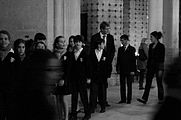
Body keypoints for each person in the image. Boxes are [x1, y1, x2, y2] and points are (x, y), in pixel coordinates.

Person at [90, 21, 115, 107]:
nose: (108, 30)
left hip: (107, 65)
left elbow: (112, 50)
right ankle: (95, 101)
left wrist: (108, 60)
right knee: (96, 85)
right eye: (107, 29)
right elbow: (92, 51)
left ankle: (103, 101)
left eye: (108, 28)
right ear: (101, 29)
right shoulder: (94, 37)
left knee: (104, 84)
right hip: (96, 66)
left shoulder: (111, 37)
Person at [137, 31, 165, 104]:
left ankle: (161, 99)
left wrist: (154, 59)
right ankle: (144, 99)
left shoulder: (161, 46)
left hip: (159, 67)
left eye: (151, 37)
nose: (150, 38)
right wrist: (148, 66)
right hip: (151, 67)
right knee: (148, 83)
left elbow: (162, 58)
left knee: (159, 83)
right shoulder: (150, 46)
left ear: (155, 37)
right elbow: (149, 57)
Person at [69, 35, 91, 120]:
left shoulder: (85, 53)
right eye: (76, 42)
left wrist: (89, 77)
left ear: (82, 43)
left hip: (82, 79)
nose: (77, 43)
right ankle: (74, 114)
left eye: (79, 42)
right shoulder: (72, 53)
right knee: (74, 97)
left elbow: (89, 66)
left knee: (83, 97)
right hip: (74, 79)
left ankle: (87, 113)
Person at [52, 36, 71, 120]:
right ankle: (60, 117)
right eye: (61, 42)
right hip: (55, 80)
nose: (64, 43)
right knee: (57, 99)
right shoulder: (53, 55)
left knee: (63, 99)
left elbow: (68, 69)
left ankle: (66, 117)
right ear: (56, 43)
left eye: (64, 41)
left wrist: (63, 79)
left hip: (64, 80)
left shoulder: (67, 54)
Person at [89, 38, 109, 113]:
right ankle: (92, 107)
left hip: (102, 77)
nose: (104, 45)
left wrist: (107, 75)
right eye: (103, 44)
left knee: (102, 93)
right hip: (94, 76)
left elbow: (107, 65)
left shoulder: (105, 53)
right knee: (93, 92)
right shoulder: (92, 53)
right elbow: (90, 65)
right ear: (99, 45)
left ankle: (103, 107)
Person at [116, 34, 136, 104]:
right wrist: (117, 68)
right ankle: (123, 99)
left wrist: (133, 70)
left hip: (129, 70)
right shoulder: (120, 49)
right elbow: (118, 59)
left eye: (123, 40)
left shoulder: (132, 49)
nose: (122, 42)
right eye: (121, 40)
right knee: (122, 85)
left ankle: (129, 99)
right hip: (122, 69)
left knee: (129, 85)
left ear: (127, 40)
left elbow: (133, 61)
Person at [0, 30, 14, 120]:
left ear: (9, 40)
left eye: (5, 39)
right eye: (0, 39)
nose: (3, 41)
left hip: (10, 91)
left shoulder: (14, 55)